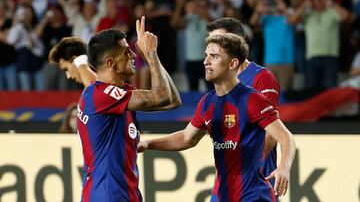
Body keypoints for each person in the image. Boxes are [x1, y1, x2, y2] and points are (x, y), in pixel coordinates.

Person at [138, 33, 296, 201]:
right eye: (206, 55)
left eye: (214, 56)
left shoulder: (252, 99)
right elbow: (186, 138)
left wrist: (283, 168)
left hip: (253, 196)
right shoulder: (208, 102)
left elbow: (286, 137)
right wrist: (148, 144)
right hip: (223, 195)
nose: (206, 61)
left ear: (233, 63)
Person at [77, 16, 181, 201]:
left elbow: (172, 100)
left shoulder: (119, 93)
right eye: (126, 52)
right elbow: (162, 96)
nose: (134, 55)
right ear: (110, 63)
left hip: (125, 194)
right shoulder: (101, 95)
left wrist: (152, 56)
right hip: (108, 195)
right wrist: (150, 54)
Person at [206, 17, 281, 187]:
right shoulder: (221, 80)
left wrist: (246, 168)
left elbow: (272, 132)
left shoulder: (262, 77)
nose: (212, 48)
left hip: (256, 179)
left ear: (237, 42)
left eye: (219, 41)